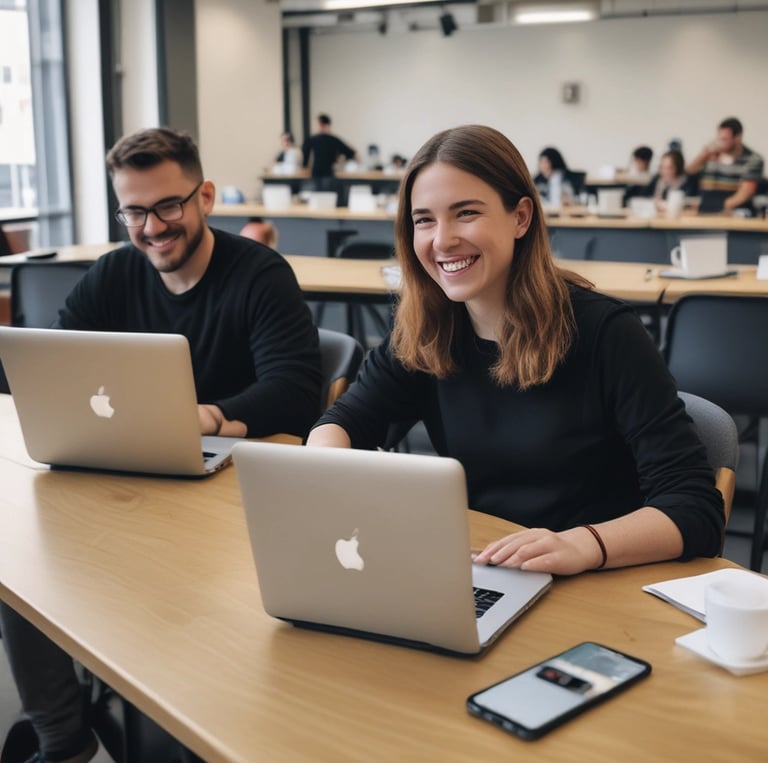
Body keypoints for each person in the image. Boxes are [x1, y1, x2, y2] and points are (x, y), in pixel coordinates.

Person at [0, 126, 323, 763]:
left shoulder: (259, 274)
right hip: (119, 479)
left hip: (228, 499)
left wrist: (206, 418)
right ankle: (67, 742)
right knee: (18, 564)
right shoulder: (116, 272)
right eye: (136, 211)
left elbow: (295, 390)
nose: (153, 227)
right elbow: (57, 362)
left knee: (177, 609)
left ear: (203, 196)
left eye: (169, 206)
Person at [308, 124, 724, 578]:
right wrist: (327, 465)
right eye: (424, 219)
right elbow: (343, 422)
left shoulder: (606, 333)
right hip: (487, 570)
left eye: (466, 213)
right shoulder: (425, 328)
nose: (441, 239)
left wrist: (584, 545)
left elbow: (695, 507)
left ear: (521, 217)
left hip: (595, 580)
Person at [685, 117, 765, 214]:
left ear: (738, 138)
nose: (719, 142)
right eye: (718, 138)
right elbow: (689, 171)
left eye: (724, 139)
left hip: (734, 212)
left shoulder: (753, 159)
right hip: (705, 210)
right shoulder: (709, 154)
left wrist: (717, 209)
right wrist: (703, 154)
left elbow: (745, 194)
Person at [301, 113, 357, 183]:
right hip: (330, 176)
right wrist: (340, 163)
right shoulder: (335, 140)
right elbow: (354, 155)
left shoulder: (312, 140)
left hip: (315, 177)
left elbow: (304, 159)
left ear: (320, 124)